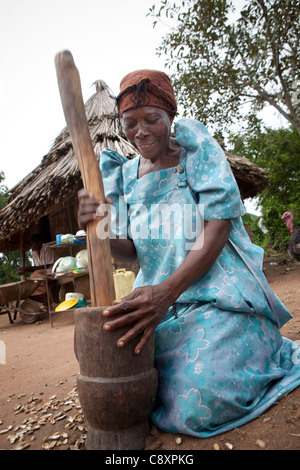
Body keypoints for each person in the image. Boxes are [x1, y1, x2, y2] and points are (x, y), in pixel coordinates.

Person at [78, 70, 300, 438]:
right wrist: (99, 224)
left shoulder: (194, 153)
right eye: (131, 123)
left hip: (218, 298)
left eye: (153, 120)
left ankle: (267, 347)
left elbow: (219, 225)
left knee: (197, 402)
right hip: (155, 304)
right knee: (124, 377)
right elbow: (128, 252)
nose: (141, 132)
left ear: (170, 117)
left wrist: (167, 292)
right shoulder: (122, 174)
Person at [17, 233, 59, 305]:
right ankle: (45, 299)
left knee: (36, 275)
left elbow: (45, 266)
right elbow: (37, 267)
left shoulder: (47, 248)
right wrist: (24, 269)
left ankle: (46, 301)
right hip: (43, 272)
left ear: (39, 243)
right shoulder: (34, 253)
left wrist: (28, 268)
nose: (32, 246)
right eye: (31, 244)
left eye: (33, 244)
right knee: (34, 277)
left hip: (53, 270)